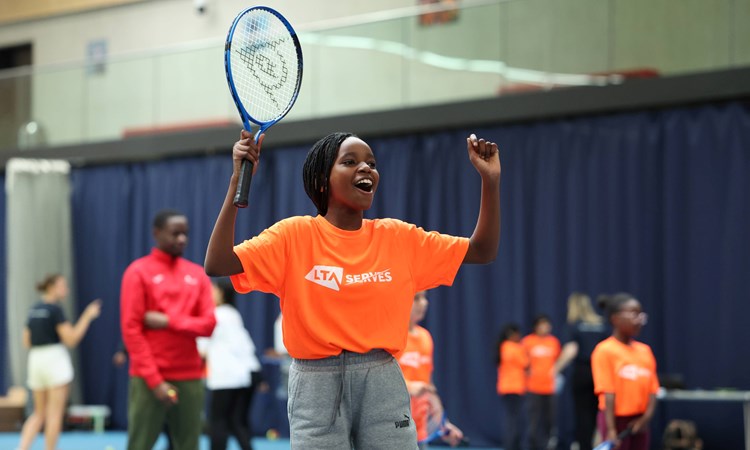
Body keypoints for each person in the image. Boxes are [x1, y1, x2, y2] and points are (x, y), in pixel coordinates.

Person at [204, 130, 501, 449]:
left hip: (382, 380)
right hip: (316, 386)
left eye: (371, 163)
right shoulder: (294, 236)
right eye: (350, 161)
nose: (366, 168)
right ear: (322, 180)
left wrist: (491, 182)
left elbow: (481, 251)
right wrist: (237, 181)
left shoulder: (399, 238)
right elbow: (218, 263)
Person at [120, 209, 216, 450]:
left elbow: (208, 325)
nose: (181, 239)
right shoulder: (138, 272)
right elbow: (131, 331)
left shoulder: (197, 274)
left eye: (185, 234)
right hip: (149, 378)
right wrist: (155, 381)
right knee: (139, 444)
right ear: (157, 233)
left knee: (189, 445)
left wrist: (167, 321)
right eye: (175, 233)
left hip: (190, 377)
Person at [17, 274, 101, 450]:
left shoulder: (33, 309)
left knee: (39, 413)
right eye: (63, 286)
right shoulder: (56, 310)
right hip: (54, 360)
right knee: (54, 414)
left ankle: (22, 448)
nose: (66, 290)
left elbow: (26, 341)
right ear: (51, 287)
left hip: (35, 361)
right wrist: (87, 316)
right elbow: (71, 339)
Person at [197, 278, 262, 450]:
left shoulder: (213, 315)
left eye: (213, 290)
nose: (210, 293)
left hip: (224, 378)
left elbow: (201, 350)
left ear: (221, 293)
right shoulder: (233, 314)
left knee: (217, 422)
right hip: (243, 376)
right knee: (236, 422)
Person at [396, 290, 464, 449]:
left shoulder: (426, 337)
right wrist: (410, 386)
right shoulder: (393, 336)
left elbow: (429, 387)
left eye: (424, 298)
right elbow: (378, 382)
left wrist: (443, 423)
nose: (424, 303)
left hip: (420, 430)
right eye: (416, 298)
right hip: (396, 426)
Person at [591, 293, 658, 450]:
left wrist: (645, 419)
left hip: (639, 421)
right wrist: (611, 430)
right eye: (634, 313)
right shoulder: (605, 350)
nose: (639, 319)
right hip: (614, 420)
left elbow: (653, 390)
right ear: (615, 318)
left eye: (641, 314)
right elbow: (608, 392)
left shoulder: (645, 351)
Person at [553, 292, 608, 450]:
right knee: (599, 412)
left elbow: (571, 350)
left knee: (582, 414)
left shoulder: (575, 326)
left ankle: (585, 446)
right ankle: (600, 444)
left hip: (583, 372)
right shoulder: (602, 325)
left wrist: (554, 369)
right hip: (600, 373)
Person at [522, 314, 561, 450]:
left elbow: (558, 362)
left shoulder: (553, 342)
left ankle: (547, 445)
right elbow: (521, 362)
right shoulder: (528, 341)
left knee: (549, 420)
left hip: (550, 387)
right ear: (536, 326)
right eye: (542, 324)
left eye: (547, 324)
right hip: (533, 387)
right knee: (534, 420)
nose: (546, 327)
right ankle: (533, 445)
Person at [496, 322, 528, 450]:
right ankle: (512, 446)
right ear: (511, 334)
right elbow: (525, 362)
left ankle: (512, 445)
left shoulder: (503, 347)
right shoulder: (513, 347)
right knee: (514, 419)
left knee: (512, 419)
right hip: (514, 388)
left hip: (506, 388)